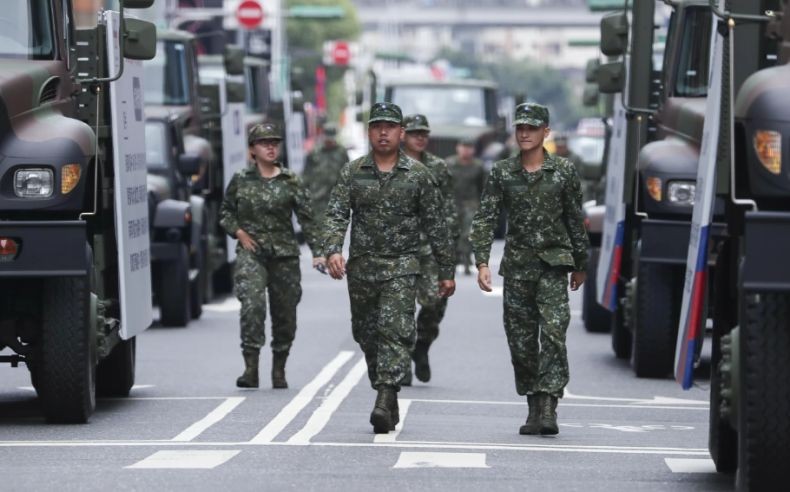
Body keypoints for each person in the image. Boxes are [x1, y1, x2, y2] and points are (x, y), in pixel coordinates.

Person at [323, 102, 456, 434]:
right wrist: (332, 250)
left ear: (401, 133)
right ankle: (386, 389)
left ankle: (385, 396)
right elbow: (337, 214)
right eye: (377, 126)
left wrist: (446, 270)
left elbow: (437, 225)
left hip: (402, 266)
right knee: (367, 334)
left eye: (390, 127)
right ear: (369, 132)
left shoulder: (419, 175)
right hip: (363, 268)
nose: (383, 132)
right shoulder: (352, 172)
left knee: (394, 331)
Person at [470, 103, 589, 436]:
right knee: (521, 343)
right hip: (518, 268)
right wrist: (481, 261)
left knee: (553, 336)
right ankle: (533, 403)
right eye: (520, 127)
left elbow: (574, 220)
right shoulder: (503, 172)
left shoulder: (564, 171)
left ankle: (549, 404)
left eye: (532, 128)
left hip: (553, 267)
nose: (524, 133)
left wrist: (580, 264)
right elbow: (486, 218)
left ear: (545, 132)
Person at [220, 123, 325, 389]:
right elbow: (225, 212)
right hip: (252, 253)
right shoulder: (241, 179)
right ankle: (250, 368)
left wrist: (318, 253)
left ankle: (279, 367)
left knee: (285, 313)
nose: (270, 147)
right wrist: (239, 232)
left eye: (274, 143)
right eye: (264, 143)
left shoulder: (291, 181)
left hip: (284, 256)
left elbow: (308, 219)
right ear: (252, 149)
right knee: (252, 305)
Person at [400, 114, 459, 385]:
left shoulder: (438, 167)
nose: (420, 138)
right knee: (398, 307)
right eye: (414, 133)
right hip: (400, 246)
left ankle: (421, 344)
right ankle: (400, 363)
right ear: (403, 135)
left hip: (432, 248)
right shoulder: (391, 164)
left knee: (435, 303)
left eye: (424, 133)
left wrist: (450, 244)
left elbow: (448, 206)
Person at [446, 138, 487, 275]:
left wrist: (483, 206)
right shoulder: (449, 163)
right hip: (452, 204)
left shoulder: (478, 166)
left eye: (469, 147)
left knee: (468, 233)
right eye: (463, 147)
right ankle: (456, 256)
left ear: (473, 150)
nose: (466, 150)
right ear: (458, 148)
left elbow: (483, 187)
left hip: (471, 203)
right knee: (453, 233)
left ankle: (467, 258)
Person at [302, 122, 350, 221]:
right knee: (318, 228)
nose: (329, 140)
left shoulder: (341, 152)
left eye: (331, 137)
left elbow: (348, 172)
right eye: (327, 137)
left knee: (335, 228)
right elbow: (306, 174)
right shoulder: (314, 152)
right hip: (317, 197)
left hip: (336, 197)